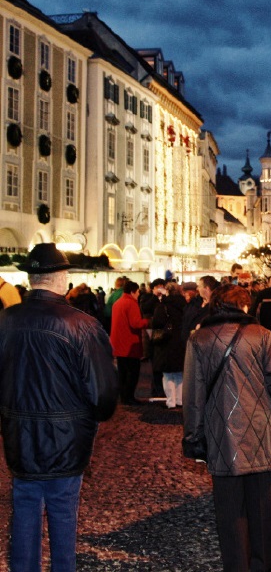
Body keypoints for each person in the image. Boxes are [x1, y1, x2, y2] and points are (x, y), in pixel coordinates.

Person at [0, 243, 118, 572]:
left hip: (19, 434)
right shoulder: (80, 324)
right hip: (66, 436)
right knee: (63, 512)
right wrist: (96, 415)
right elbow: (103, 391)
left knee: (24, 508)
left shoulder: (6, 320)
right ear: (60, 277)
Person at [182, 284, 271, 572]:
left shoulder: (199, 339)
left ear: (216, 305)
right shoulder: (262, 335)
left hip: (221, 432)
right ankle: (263, 564)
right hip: (259, 426)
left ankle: (237, 565)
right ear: (244, 305)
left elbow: (193, 394)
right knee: (260, 504)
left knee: (229, 507)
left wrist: (193, 436)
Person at [110, 280, 150, 405]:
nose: (138, 294)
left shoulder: (118, 303)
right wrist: (147, 321)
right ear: (133, 291)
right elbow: (135, 323)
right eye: (138, 292)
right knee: (133, 372)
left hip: (118, 343)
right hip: (129, 343)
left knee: (122, 372)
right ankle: (129, 397)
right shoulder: (131, 304)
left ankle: (123, 397)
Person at [150, 282, 188, 409]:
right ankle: (180, 400)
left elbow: (156, 322)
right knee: (179, 373)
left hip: (166, 341)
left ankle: (171, 401)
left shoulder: (163, 306)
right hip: (181, 341)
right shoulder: (184, 305)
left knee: (167, 374)